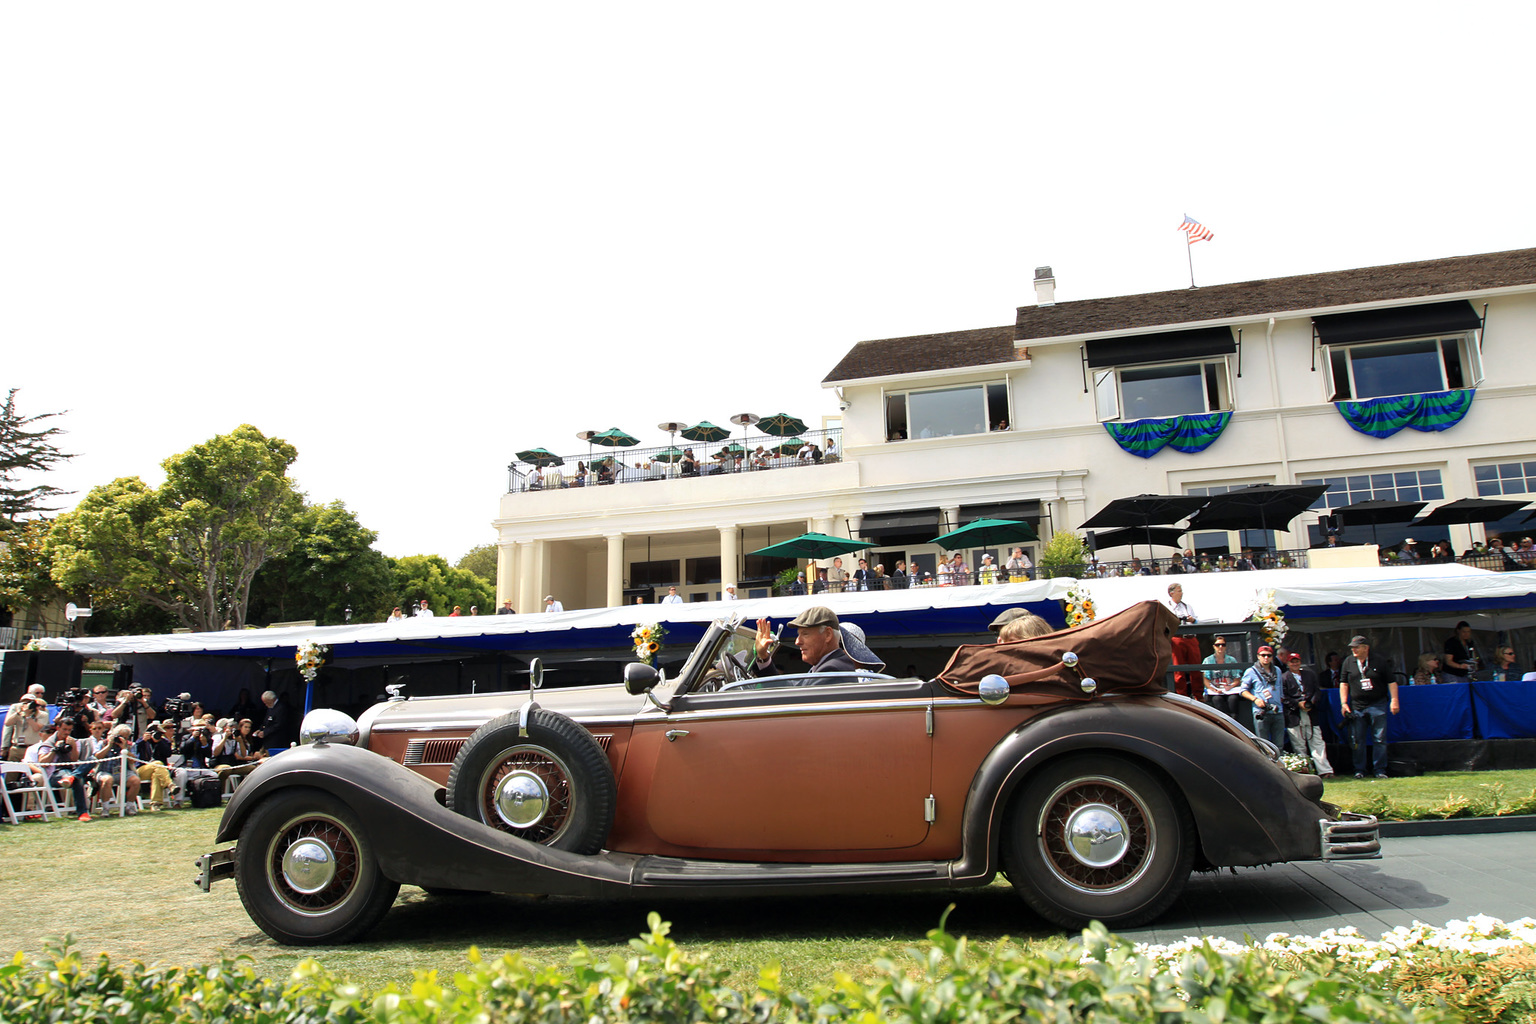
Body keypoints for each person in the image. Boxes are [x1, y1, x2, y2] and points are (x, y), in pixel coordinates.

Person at [750, 606, 885, 676]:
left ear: (827, 635)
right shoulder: (825, 666)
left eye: (805, 634)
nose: (797, 642)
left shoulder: (832, 669)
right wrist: (763, 657)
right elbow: (789, 690)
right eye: (798, 635)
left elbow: (790, 702)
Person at [1339, 634, 1399, 779]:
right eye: (1352, 647)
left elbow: (1391, 682)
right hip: (1357, 706)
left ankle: (1379, 770)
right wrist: (1343, 703)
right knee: (1357, 739)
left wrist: (1394, 700)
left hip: (1377, 704)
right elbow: (1343, 683)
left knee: (1379, 738)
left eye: (1356, 647)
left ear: (1366, 648)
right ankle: (1359, 770)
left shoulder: (1379, 661)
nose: (1353, 650)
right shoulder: (1348, 662)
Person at [1284, 653, 1333, 776]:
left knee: (1317, 741)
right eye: (1292, 661)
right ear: (1288, 663)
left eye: (1297, 661)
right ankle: (1306, 770)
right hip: (1294, 715)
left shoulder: (1309, 675)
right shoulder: (1284, 677)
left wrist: (1311, 702)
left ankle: (1325, 771)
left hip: (1311, 713)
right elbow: (1283, 697)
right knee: (1299, 745)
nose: (1295, 664)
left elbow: (1317, 691)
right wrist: (1297, 703)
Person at [32, 716, 91, 820]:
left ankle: (72, 777)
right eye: (64, 729)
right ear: (58, 728)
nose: (67, 732)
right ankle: (82, 813)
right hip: (54, 774)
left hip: (71, 771)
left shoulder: (73, 741)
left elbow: (74, 760)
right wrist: (54, 749)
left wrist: (73, 747)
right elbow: (42, 763)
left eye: (69, 730)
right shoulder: (48, 743)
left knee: (92, 760)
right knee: (78, 779)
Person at [1240, 646, 1286, 747]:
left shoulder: (1277, 670)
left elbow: (1280, 689)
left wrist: (1280, 700)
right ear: (1258, 656)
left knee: (1279, 744)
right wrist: (1255, 699)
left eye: (1269, 655)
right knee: (1263, 745)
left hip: (1277, 711)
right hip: (1261, 712)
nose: (1266, 657)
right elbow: (1243, 691)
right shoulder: (1251, 671)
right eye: (1263, 655)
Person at [1201, 637, 1244, 720]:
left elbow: (1237, 678)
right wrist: (1213, 689)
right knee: (1217, 699)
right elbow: (1205, 679)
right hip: (1215, 691)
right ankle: (1224, 720)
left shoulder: (1232, 660)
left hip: (1229, 690)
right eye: (1218, 645)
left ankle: (1234, 720)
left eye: (1223, 645)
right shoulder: (1208, 660)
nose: (1220, 647)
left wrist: (1230, 686)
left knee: (1233, 699)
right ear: (1213, 646)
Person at [4, 684, 51, 760]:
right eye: (24, 702)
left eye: (29, 702)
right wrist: (19, 712)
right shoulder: (16, 709)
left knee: (31, 770)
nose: (27, 704)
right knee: (12, 770)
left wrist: (28, 716)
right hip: (17, 747)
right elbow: (7, 724)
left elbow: (37, 728)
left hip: (33, 747)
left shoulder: (43, 712)